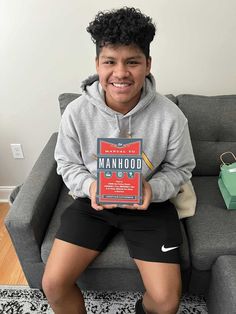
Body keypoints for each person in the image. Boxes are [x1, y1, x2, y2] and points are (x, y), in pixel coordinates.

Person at [42, 7, 195, 314]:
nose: (121, 72)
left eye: (133, 62)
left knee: (166, 302)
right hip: (93, 204)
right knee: (54, 285)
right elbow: (67, 164)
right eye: (110, 61)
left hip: (150, 205)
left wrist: (154, 190)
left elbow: (181, 167)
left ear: (148, 64)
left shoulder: (170, 116)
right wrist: (89, 185)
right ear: (98, 64)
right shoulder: (76, 112)